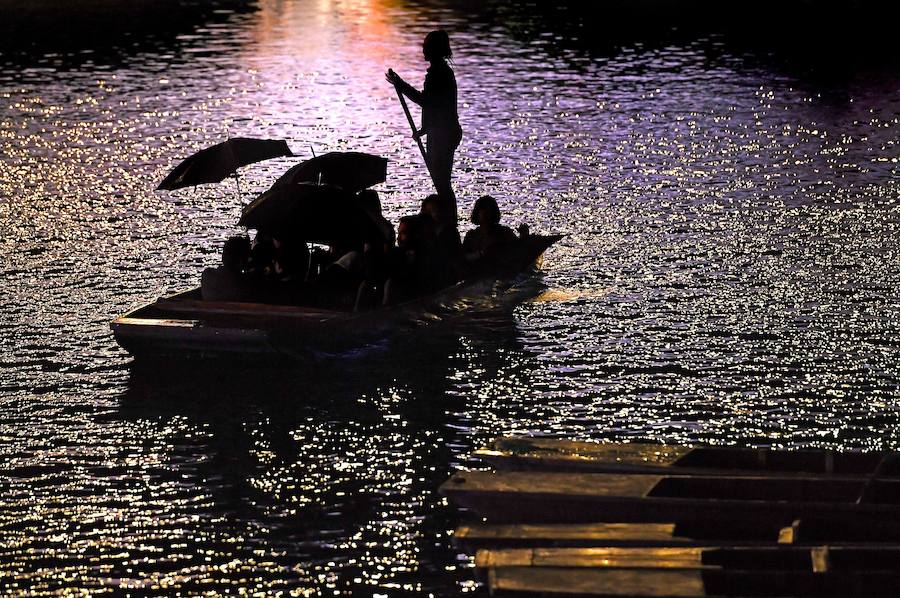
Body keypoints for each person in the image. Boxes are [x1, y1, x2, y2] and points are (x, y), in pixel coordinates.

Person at [386, 30, 463, 227]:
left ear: (435, 50)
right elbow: (437, 106)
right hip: (441, 131)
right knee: (441, 182)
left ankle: (450, 226)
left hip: (444, 134)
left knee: (442, 183)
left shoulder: (439, 74)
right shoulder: (440, 72)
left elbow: (427, 102)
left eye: (426, 47)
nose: (423, 51)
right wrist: (425, 128)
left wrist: (400, 85)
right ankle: (449, 223)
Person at [463, 195, 523, 262]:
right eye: (483, 209)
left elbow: (517, 251)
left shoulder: (504, 232)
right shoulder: (471, 236)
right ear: (477, 212)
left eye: (489, 210)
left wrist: (523, 236)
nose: (486, 213)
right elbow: (464, 257)